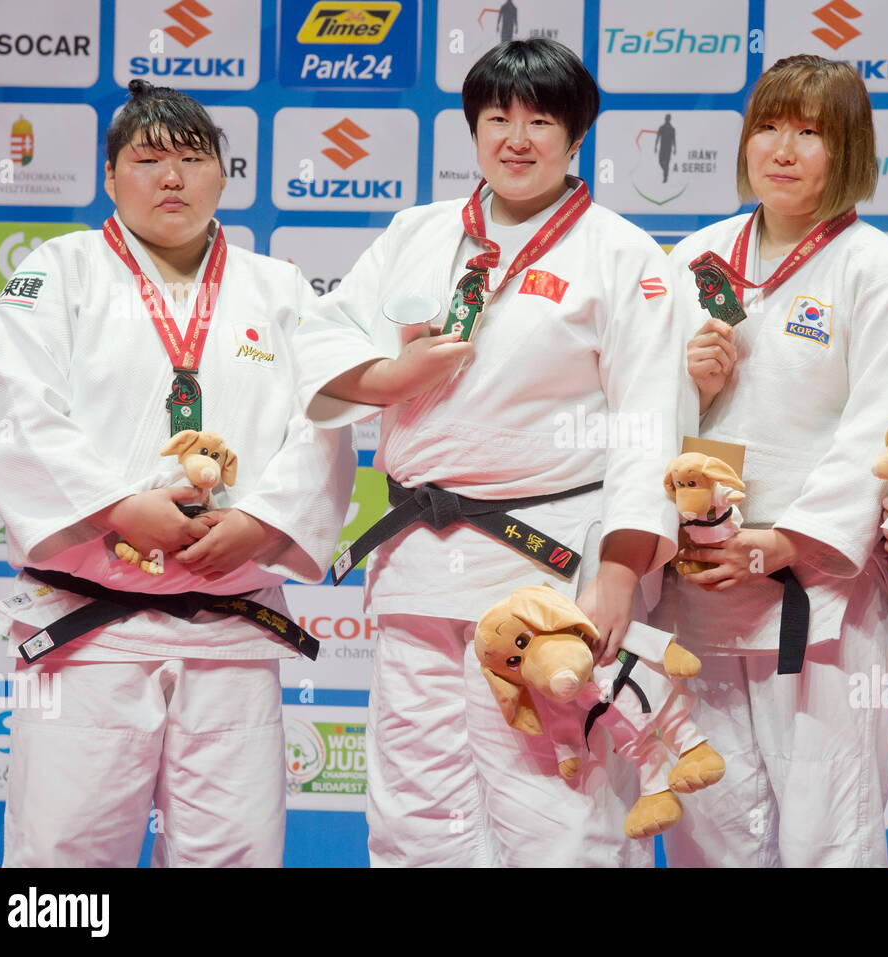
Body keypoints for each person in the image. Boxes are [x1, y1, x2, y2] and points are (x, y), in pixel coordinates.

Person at [295, 38, 684, 867]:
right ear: (472, 128)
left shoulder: (623, 255)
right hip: (420, 559)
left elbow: (651, 419)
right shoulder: (417, 232)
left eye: (539, 120)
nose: (516, 137)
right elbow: (322, 339)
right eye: (497, 117)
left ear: (575, 137)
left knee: (555, 803)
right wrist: (393, 372)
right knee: (414, 804)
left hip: (548, 569)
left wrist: (618, 569)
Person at [0, 80, 356, 867]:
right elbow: (17, 411)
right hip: (90, 632)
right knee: (65, 856)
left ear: (225, 173)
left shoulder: (278, 289)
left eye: (191, 158)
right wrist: (118, 507)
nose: (171, 178)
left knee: (237, 852)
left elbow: (322, 423)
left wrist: (260, 523)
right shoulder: (56, 276)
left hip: (231, 625)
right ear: (111, 178)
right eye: (147, 160)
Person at [653, 55, 888, 867]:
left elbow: (885, 426)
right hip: (700, 588)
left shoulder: (878, 271)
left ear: (847, 150)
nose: (782, 148)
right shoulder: (694, 258)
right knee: (712, 825)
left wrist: (788, 540)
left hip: (816, 593)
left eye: (810, 133)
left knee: (828, 834)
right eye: (768, 126)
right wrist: (690, 388)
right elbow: (637, 416)